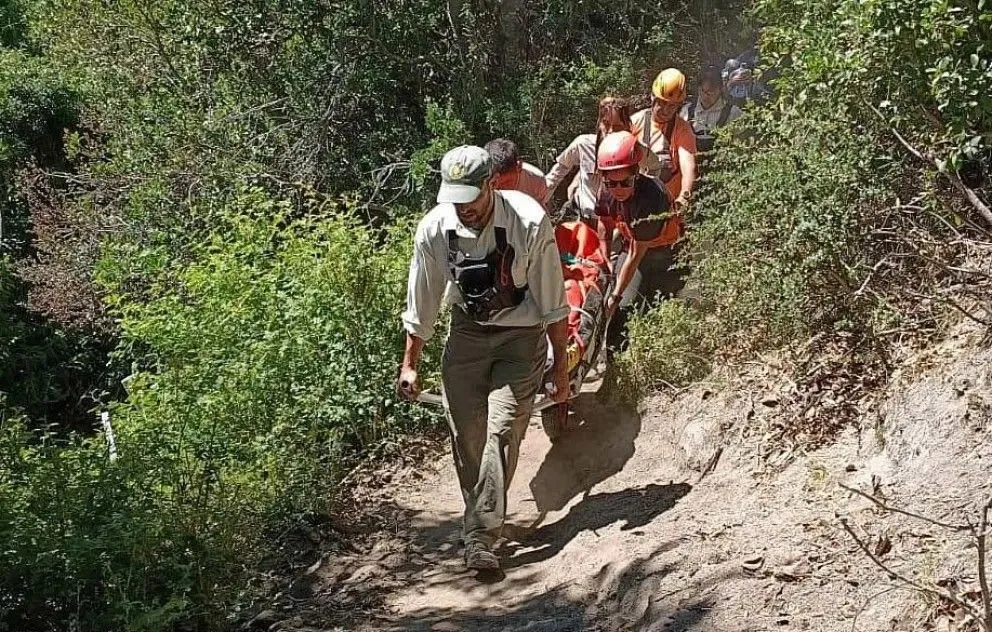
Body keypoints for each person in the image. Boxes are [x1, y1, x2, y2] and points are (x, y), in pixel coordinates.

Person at [397, 145, 569, 571]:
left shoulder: (528, 221)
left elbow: (553, 300)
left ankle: (480, 534)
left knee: (500, 431)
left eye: (469, 198)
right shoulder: (434, 230)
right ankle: (483, 515)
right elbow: (423, 300)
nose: (462, 209)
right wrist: (410, 363)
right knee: (467, 434)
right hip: (467, 334)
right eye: (453, 199)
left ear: (491, 186)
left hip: (521, 336)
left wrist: (560, 365)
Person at [594, 131, 685, 350]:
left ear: (636, 174)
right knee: (623, 313)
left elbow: (636, 254)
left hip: (667, 256)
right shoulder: (607, 191)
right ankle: (615, 366)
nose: (618, 190)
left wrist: (614, 296)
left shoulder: (651, 197)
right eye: (611, 183)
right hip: (632, 247)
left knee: (657, 313)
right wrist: (604, 256)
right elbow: (604, 225)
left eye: (625, 182)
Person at [544, 96, 662, 224]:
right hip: (585, 220)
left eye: (617, 127)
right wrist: (541, 197)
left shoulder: (635, 150)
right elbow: (560, 168)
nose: (610, 131)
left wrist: (644, 194)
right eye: (606, 124)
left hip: (619, 224)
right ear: (599, 124)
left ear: (628, 126)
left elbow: (655, 167)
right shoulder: (583, 144)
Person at [631, 68, 698, 211]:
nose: (666, 110)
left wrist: (684, 197)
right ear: (652, 97)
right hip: (636, 202)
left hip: (668, 206)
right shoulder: (635, 122)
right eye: (662, 103)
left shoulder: (682, 129)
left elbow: (688, 167)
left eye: (672, 105)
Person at [683, 66, 743, 152]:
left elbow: (741, 146)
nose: (706, 96)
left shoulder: (733, 113)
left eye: (712, 92)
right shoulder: (686, 111)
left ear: (721, 89)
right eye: (704, 91)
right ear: (699, 88)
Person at [484, 138, 548, 209]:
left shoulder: (536, 181)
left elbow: (539, 211)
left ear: (518, 167)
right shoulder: (478, 182)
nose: (502, 189)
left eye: (506, 183)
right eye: (495, 184)